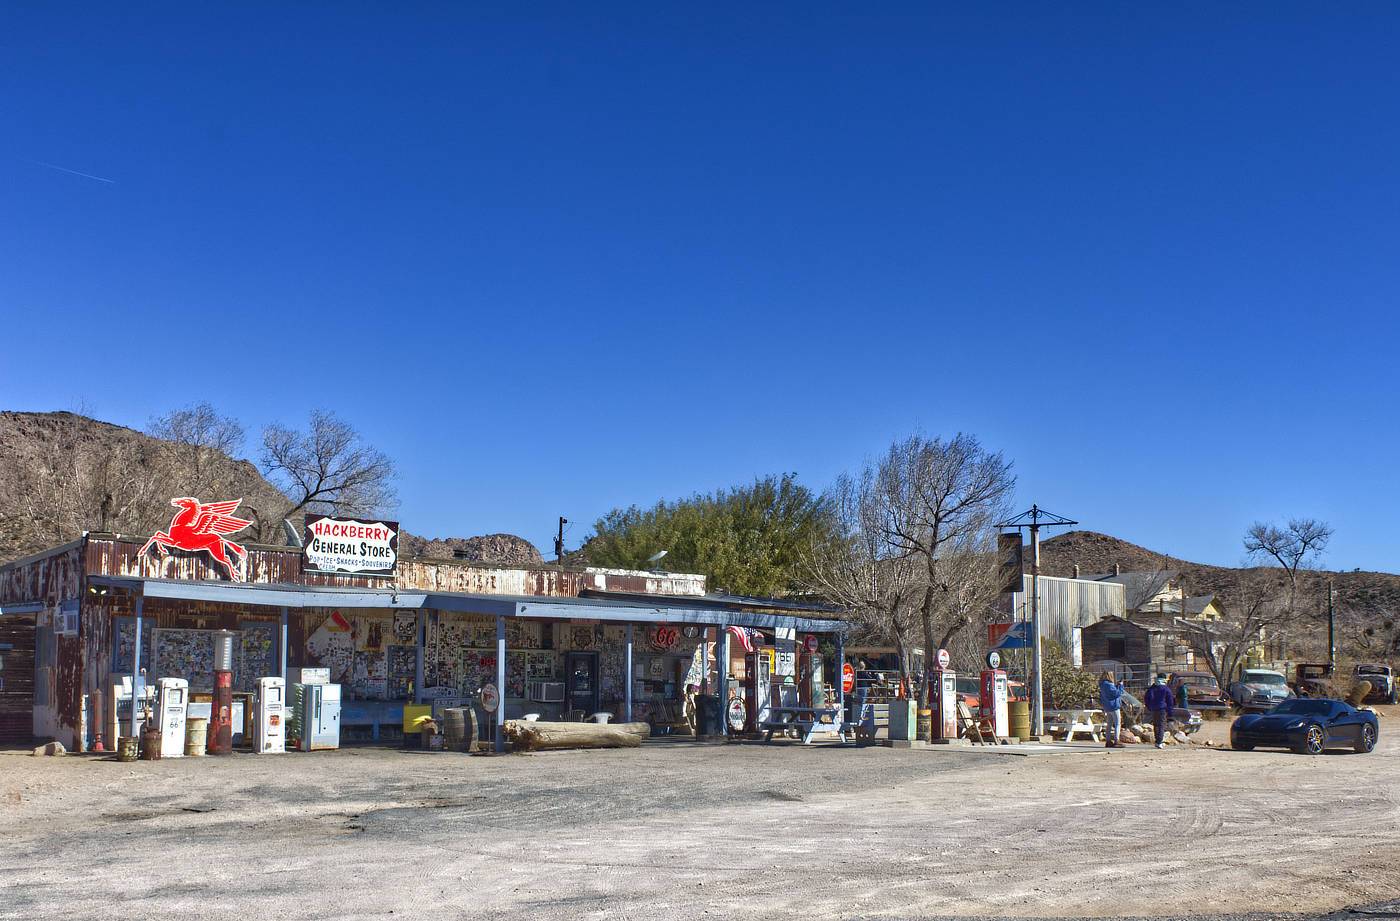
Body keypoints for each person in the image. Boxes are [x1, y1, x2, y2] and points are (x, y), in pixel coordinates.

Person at [1144, 673, 1175, 749]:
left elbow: (1147, 698)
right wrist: (1170, 713)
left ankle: (1157, 740)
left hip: (1154, 709)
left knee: (1156, 725)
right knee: (1161, 725)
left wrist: (1149, 707)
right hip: (1162, 709)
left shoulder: (1152, 688)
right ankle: (1159, 742)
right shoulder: (1166, 689)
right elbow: (1170, 702)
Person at [1098, 670, 1124, 748]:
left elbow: (1110, 693)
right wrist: (1121, 686)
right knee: (1117, 723)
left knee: (1109, 724)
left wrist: (1116, 686)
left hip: (1107, 706)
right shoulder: (1109, 684)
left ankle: (1108, 740)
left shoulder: (1102, 684)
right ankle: (1117, 740)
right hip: (1114, 706)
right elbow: (1117, 694)